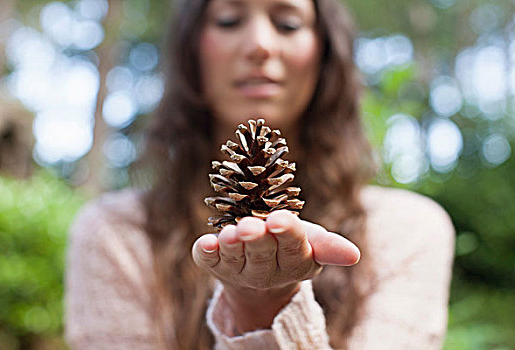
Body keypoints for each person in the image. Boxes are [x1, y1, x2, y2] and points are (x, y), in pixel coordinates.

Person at [64, 0, 455, 348]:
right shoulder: (116, 233)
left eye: (287, 23)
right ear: (191, 51)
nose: (259, 45)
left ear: (325, 52)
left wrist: (266, 311)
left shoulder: (408, 230)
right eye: (229, 20)